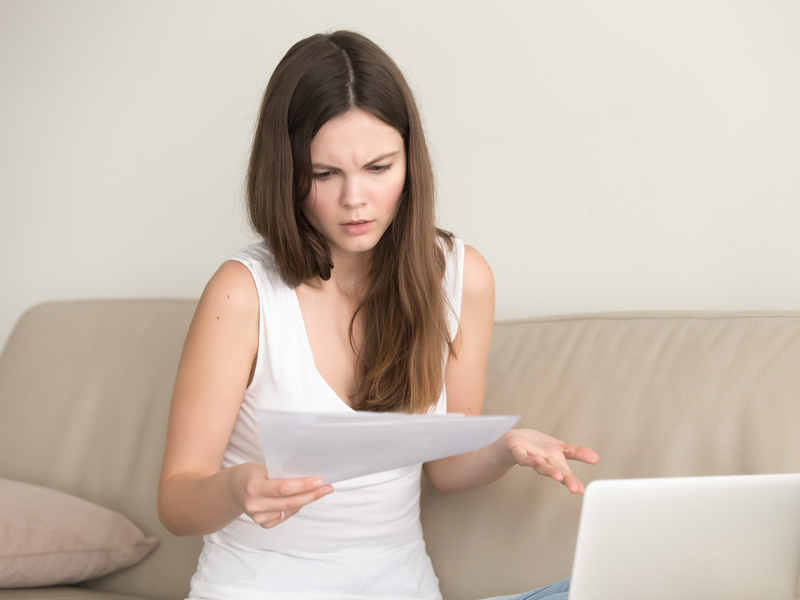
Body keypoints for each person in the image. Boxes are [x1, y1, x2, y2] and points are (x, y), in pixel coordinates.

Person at [157, 30, 599, 600]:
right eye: (324, 174)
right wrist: (235, 490)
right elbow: (175, 498)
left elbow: (444, 466)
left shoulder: (462, 279)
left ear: (410, 162)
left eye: (378, 166)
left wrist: (501, 450)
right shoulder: (243, 294)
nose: (355, 199)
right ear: (287, 174)